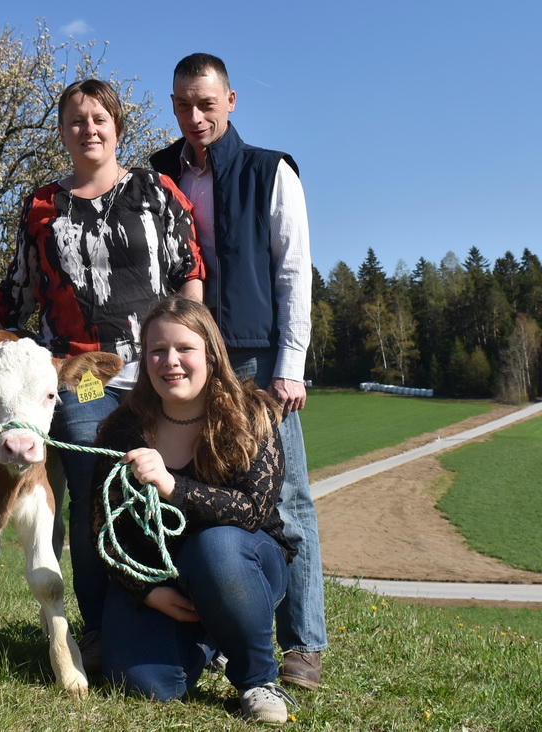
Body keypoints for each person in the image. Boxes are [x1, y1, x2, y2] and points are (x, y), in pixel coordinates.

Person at [0, 78, 204, 670]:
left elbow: (190, 270)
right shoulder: (41, 205)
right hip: (79, 374)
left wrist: (193, 344)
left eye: (99, 118)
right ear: (61, 131)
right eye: (76, 120)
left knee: (171, 484)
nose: (89, 129)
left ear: (117, 127)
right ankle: (103, 625)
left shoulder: (157, 191)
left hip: (159, 371)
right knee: (91, 493)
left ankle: (193, 618)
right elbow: (20, 288)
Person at [149, 53, 327, 690]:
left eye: (205, 103)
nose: (193, 117)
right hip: (184, 358)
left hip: (253, 357)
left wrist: (290, 365)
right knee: (200, 494)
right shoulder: (157, 173)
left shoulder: (269, 170)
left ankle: (303, 644)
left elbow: (292, 272)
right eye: (181, 104)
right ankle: (222, 634)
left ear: (231, 101)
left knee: (288, 498)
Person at [91, 295, 298, 725]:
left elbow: (253, 511)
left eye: (185, 349)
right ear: (144, 361)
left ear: (210, 353)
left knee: (216, 547)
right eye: (157, 351)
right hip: (160, 579)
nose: (171, 361)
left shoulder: (253, 413)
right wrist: (146, 592)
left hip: (242, 564)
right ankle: (212, 638)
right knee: (147, 686)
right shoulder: (123, 428)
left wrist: (171, 485)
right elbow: (103, 527)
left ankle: (258, 679)